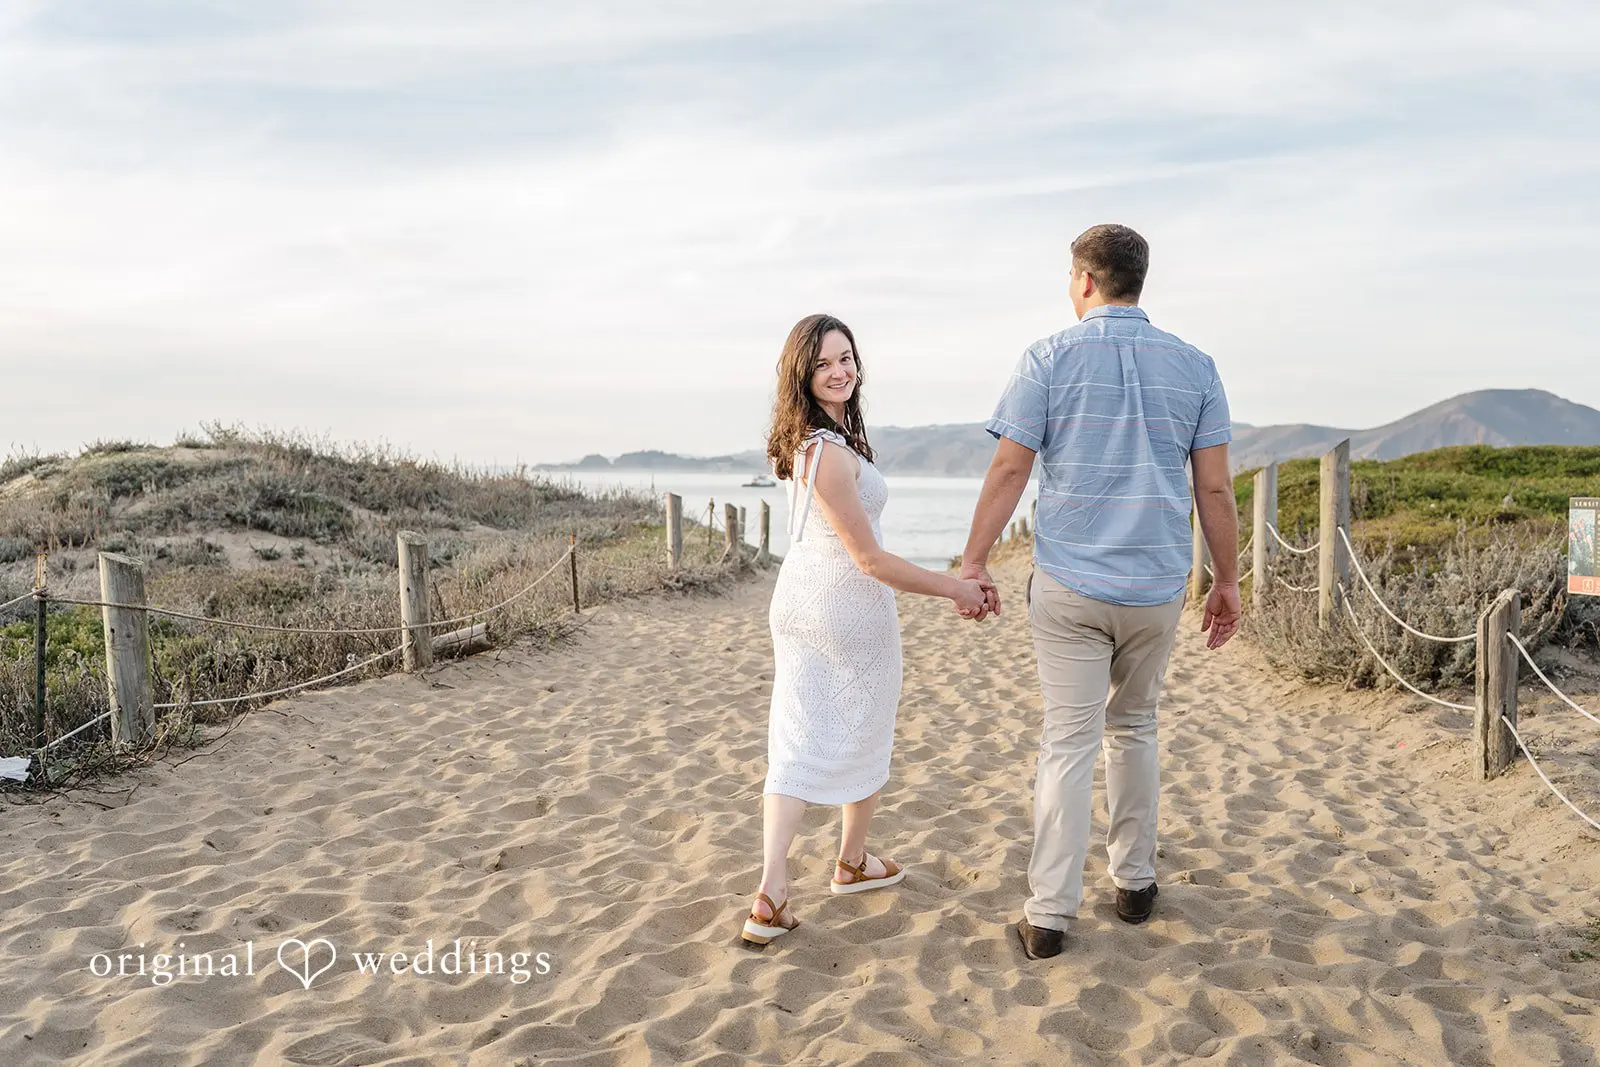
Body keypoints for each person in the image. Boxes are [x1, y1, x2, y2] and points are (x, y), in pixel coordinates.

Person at [959, 224, 1242, 960]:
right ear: (1139, 281)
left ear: (1084, 280)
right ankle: (1135, 883)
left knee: (1068, 739)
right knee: (1136, 726)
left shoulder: (1048, 356)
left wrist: (973, 559)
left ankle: (1050, 913)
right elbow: (1212, 486)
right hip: (1154, 586)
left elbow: (1009, 471)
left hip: (1070, 585)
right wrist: (1228, 580)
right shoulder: (1196, 366)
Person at [741, 313, 997, 946]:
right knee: (849, 728)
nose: (841, 370)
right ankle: (829, 869)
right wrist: (955, 587)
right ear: (802, 375)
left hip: (802, 602)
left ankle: (799, 879)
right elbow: (871, 560)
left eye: (847, 358)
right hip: (841, 608)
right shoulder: (826, 451)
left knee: (801, 735)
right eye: (825, 362)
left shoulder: (814, 442)